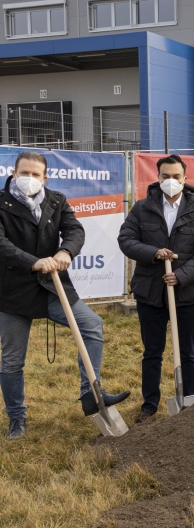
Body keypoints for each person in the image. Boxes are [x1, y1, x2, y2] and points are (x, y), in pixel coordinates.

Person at [0, 152, 129, 439]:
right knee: (12, 359)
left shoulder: (56, 200)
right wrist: (31, 261)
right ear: (13, 172)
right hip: (12, 293)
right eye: (24, 173)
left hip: (51, 287)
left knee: (92, 325)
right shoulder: (1, 202)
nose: (29, 179)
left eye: (35, 175)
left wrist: (65, 251)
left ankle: (90, 392)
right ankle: (17, 418)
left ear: (45, 178)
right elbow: (1, 244)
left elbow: (75, 230)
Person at [118, 154, 194, 424]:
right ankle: (149, 405)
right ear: (158, 177)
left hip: (187, 294)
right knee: (152, 352)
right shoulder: (142, 208)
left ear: (185, 179)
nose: (171, 181)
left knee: (187, 351)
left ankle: (189, 401)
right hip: (150, 292)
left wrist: (181, 276)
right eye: (166, 176)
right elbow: (126, 240)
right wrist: (153, 253)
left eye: (176, 177)